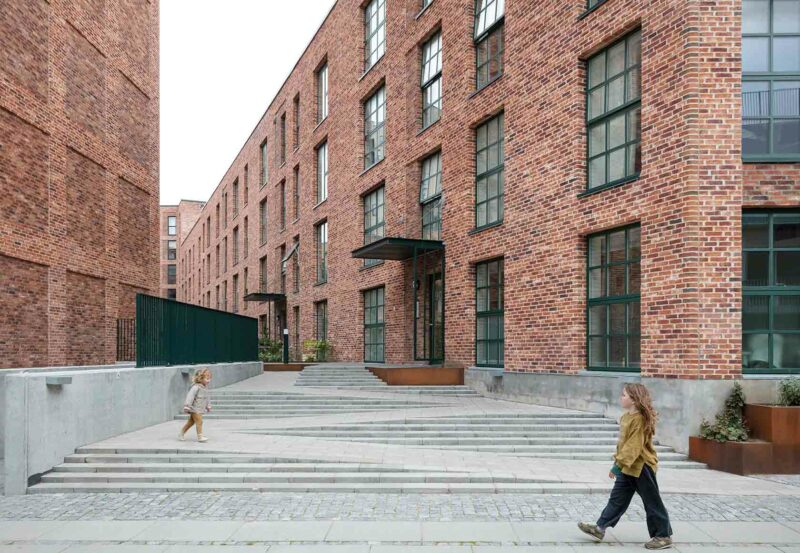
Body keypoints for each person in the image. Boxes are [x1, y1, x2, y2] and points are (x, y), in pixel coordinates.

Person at [578, 383, 673, 550]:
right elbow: (623, 445)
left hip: (642, 467)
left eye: (624, 395)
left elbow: (633, 446)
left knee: (652, 501)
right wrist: (618, 462)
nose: (621, 397)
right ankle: (600, 528)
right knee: (617, 499)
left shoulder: (641, 419)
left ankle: (663, 535)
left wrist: (617, 466)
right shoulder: (626, 417)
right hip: (627, 466)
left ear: (635, 400)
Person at [179, 368, 212, 442]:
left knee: (190, 422)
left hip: (200, 408)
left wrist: (208, 405)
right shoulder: (196, 387)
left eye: (209, 378)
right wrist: (187, 406)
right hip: (195, 408)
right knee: (199, 421)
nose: (209, 380)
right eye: (207, 378)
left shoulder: (205, 388)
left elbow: (207, 398)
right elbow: (190, 396)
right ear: (200, 378)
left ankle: (181, 433)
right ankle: (200, 437)